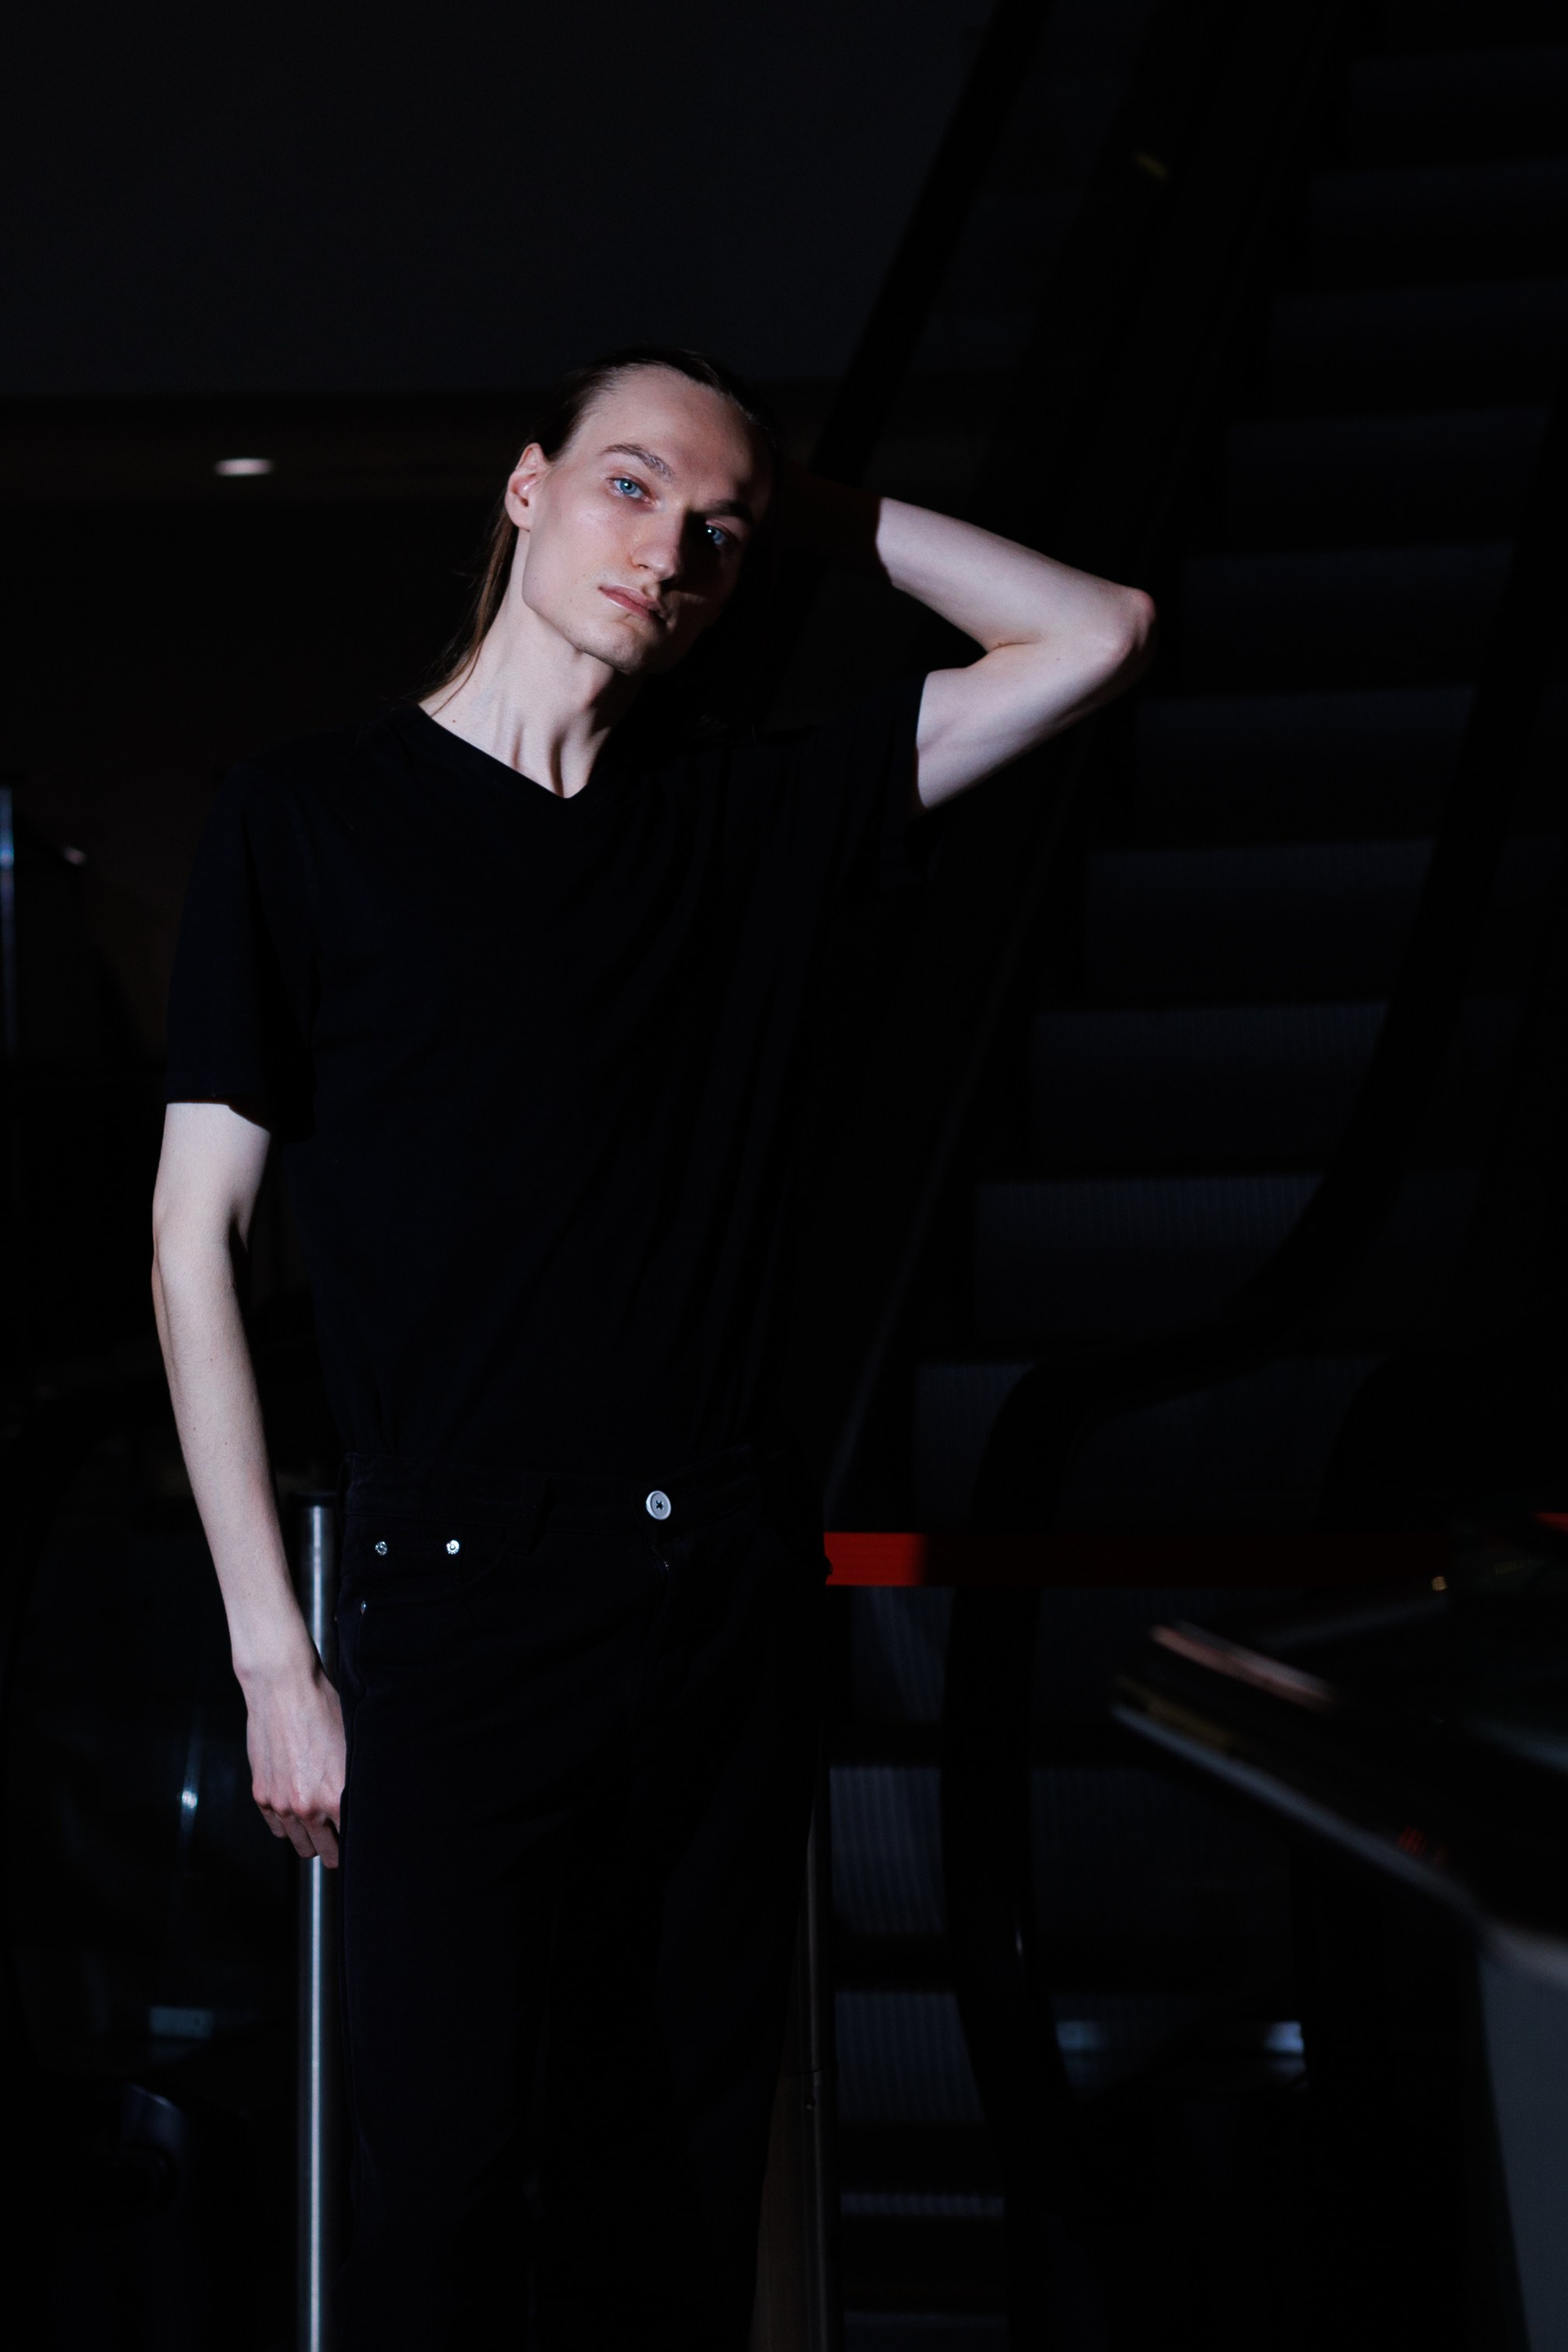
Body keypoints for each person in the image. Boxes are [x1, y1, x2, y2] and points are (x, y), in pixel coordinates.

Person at [150, 345, 1153, 2350]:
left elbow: (1097, 631)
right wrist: (274, 1654)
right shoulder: (311, 820)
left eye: (718, 534)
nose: (671, 551)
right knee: (441, 2203)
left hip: (719, 1591)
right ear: (523, 488)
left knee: (675, 2201)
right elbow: (194, 1249)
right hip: (454, 1592)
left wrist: (802, 501)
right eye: (629, 488)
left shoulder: (743, 816)